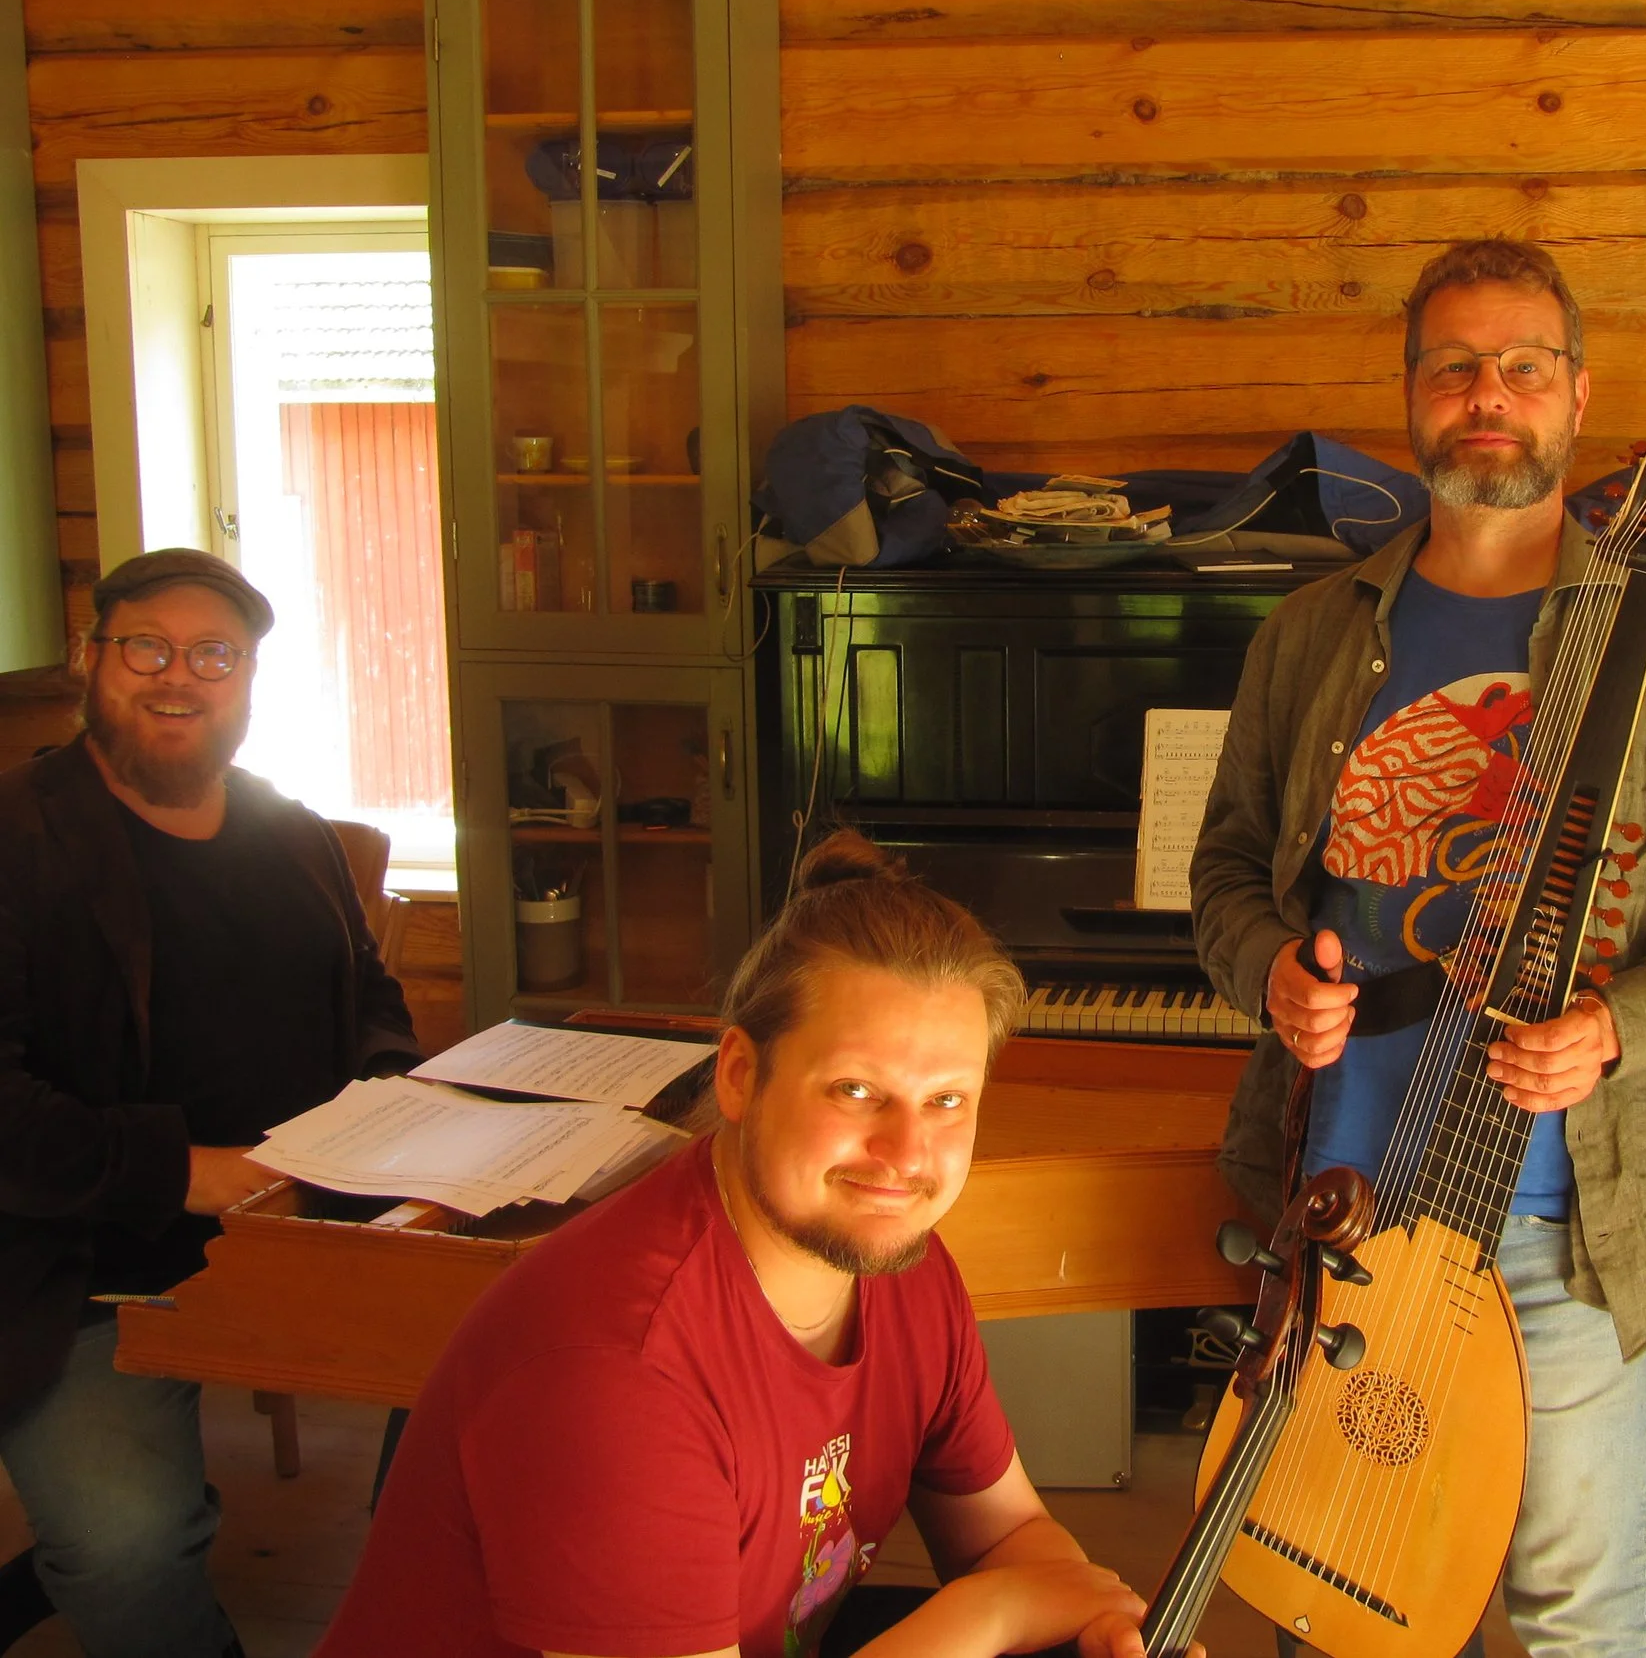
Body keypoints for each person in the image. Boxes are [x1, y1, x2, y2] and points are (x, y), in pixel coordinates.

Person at [1191, 237, 1646, 1658]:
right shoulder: (1306, 635)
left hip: (1562, 1225)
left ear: (1577, 394)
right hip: (1340, 1192)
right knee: (1344, 1603)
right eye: (1455, 366)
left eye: (1523, 366)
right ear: (1411, 398)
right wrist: (1267, 966)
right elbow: (1224, 869)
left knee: (1579, 1617)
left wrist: (1615, 1028)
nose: (1490, 394)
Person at [320, 831, 1180, 1658]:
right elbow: (999, 1590)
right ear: (739, 1075)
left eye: (948, 1100)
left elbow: (1011, 1534)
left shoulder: (898, 1260)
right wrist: (992, 1612)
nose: (908, 1154)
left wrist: (1093, 1624)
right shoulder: (617, 1369)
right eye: (855, 1089)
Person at [0, 546, 419, 1658]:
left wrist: (383, 1110)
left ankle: (404, 1604)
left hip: (311, 1217)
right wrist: (192, 1170)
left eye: (214, 655)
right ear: (92, 659)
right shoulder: (14, 836)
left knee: (491, 1356)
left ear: (245, 681)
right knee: (129, 1545)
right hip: (87, 1261)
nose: (177, 676)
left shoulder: (291, 832)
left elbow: (371, 1000)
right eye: (147, 646)